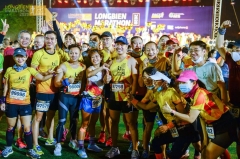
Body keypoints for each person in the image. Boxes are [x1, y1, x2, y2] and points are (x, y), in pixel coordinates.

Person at [162, 70, 237, 159]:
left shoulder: (200, 94)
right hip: (214, 125)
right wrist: (205, 139)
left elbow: (191, 118)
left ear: (193, 82)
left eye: (184, 82)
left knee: (209, 155)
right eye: (180, 82)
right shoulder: (193, 95)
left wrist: (171, 111)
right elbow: (202, 117)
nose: (181, 85)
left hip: (225, 125)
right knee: (206, 153)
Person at [130, 68, 200, 159]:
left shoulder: (171, 93)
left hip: (185, 128)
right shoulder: (158, 94)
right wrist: (132, 99)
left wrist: (168, 126)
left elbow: (184, 116)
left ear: (165, 82)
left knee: (196, 147)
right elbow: (146, 107)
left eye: (156, 80)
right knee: (156, 142)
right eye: (153, 80)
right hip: (175, 127)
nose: (153, 82)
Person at [0, 48, 55, 158]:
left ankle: (30, 150)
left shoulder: (30, 70)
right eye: (17, 56)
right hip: (11, 103)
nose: (20, 59)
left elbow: (43, 78)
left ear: (26, 58)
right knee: (10, 127)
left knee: (27, 128)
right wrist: (2, 100)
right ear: (14, 57)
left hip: (25, 104)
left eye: (22, 57)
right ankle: (8, 148)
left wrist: (52, 74)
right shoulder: (9, 70)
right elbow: (6, 87)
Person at [31, 30, 68, 155]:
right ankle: (35, 144)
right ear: (44, 40)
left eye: (52, 39)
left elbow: (71, 59)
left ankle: (50, 138)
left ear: (56, 40)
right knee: (38, 117)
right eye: (47, 38)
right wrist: (44, 74)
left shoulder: (59, 54)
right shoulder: (38, 53)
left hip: (55, 90)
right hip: (42, 90)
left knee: (51, 116)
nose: (49, 41)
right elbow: (32, 70)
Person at [104, 36, 139, 159]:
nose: (119, 46)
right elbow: (106, 79)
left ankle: (135, 149)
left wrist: (132, 96)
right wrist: (106, 78)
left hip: (127, 97)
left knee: (131, 123)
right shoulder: (111, 61)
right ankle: (114, 147)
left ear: (126, 47)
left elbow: (135, 80)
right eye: (117, 44)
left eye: (122, 44)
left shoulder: (131, 60)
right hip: (114, 95)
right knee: (114, 122)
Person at [53, 44, 86, 156]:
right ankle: (58, 144)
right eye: (71, 52)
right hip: (65, 97)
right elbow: (56, 83)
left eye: (76, 53)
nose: (74, 55)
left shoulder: (83, 66)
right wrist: (66, 81)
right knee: (62, 120)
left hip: (76, 98)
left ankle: (73, 139)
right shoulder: (63, 66)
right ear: (68, 53)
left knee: (74, 119)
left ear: (80, 54)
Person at [215, 20, 240, 158]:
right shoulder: (233, 63)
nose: (237, 52)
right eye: (237, 50)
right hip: (233, 110)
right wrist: (222, 29)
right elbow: (219, 46)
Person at [77, 49, 108, 158]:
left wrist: (108, 72)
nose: (95, 59)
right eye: (92, 57)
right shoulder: (89, 68)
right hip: (88, 99)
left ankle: (91, 144)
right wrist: (102, 67)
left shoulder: (104, 70)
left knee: (93, 124)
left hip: (98, 100)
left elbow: (106, 81)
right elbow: (89, 75)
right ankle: (80, 148)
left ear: (101, 57)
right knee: (84, 124)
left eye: (97, 57)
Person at [98, 31, 117, 146]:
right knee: (103, 111)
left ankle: (111, 135)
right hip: (102, 85)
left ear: (112, 39)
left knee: (112, 111)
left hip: (115, 85)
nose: (105, 41)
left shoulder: (117, 52)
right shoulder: (100, 53)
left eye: (107, 39)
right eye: (103, 39)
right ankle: (103, 132)